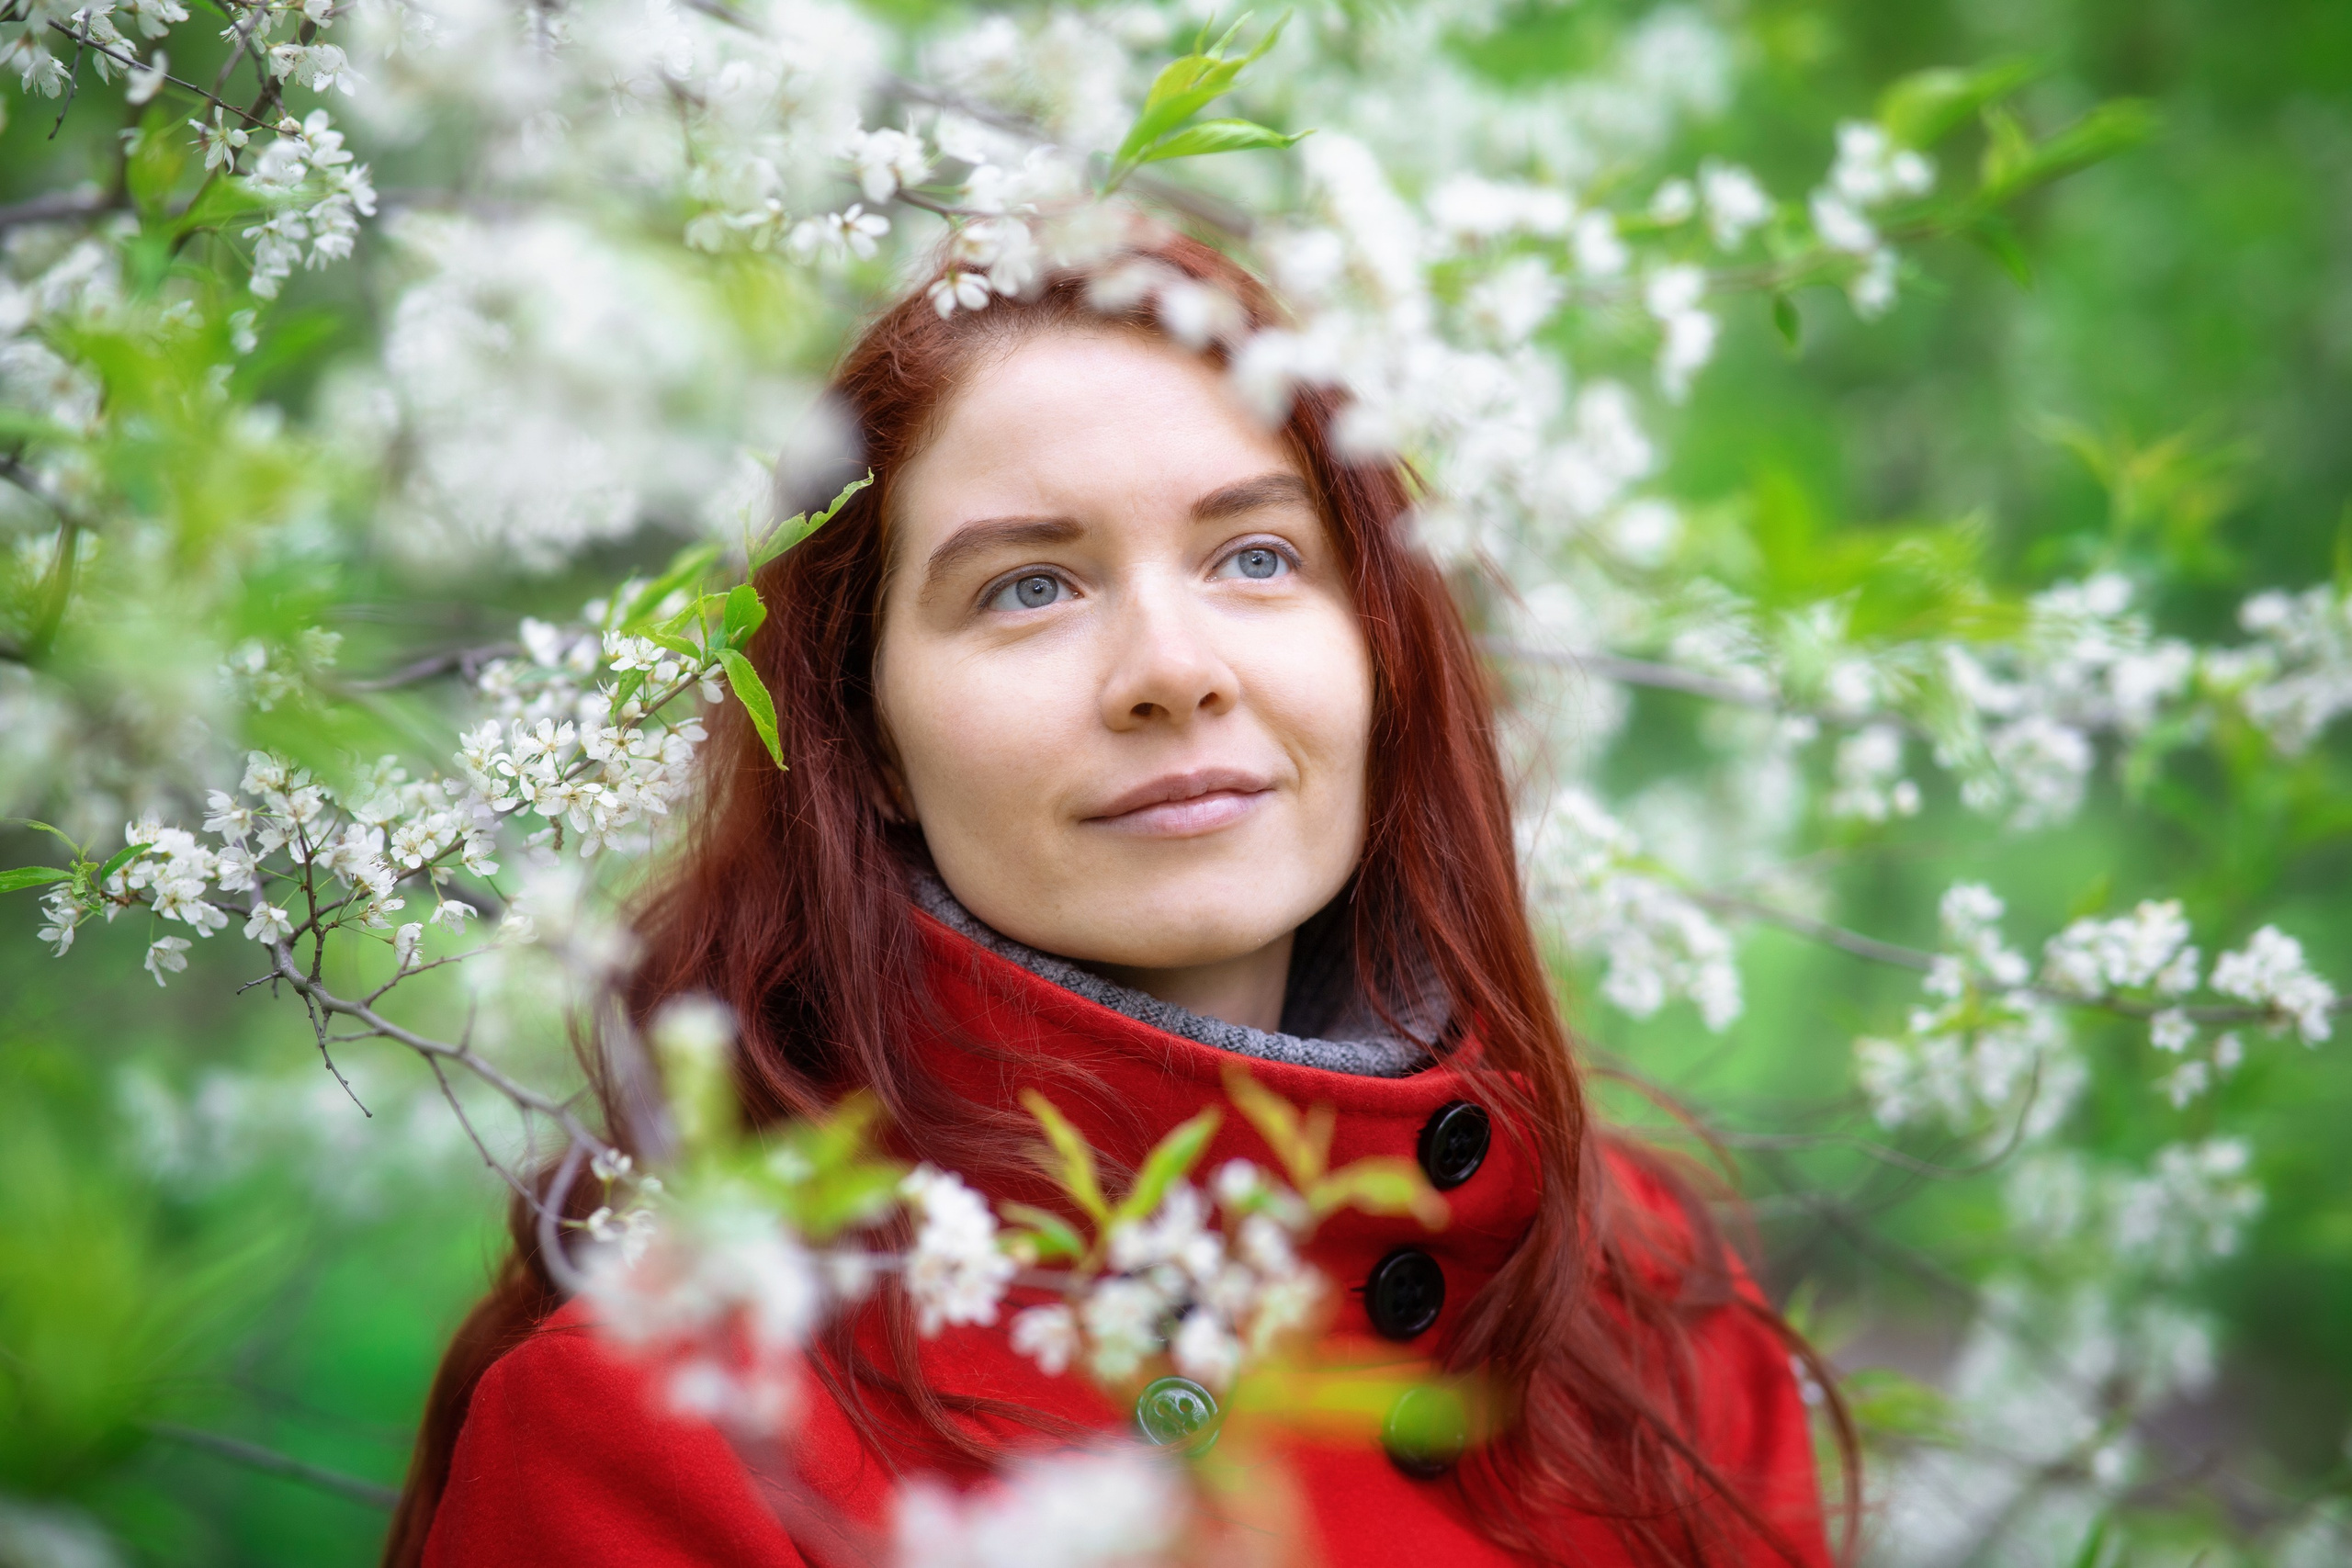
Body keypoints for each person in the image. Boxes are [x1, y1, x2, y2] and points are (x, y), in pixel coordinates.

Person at [385, 230, 1848, 1568]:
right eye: (1030, 587)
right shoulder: (671, 1429)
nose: (1173, 668)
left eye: (1256, 556)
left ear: (1380, 646)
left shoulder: (1635, 1298)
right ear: (867, 738)